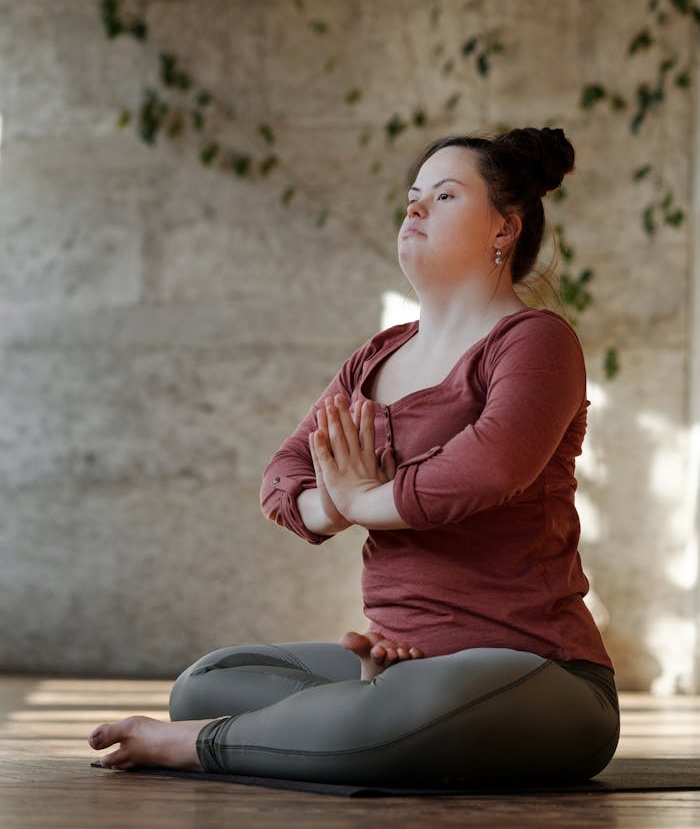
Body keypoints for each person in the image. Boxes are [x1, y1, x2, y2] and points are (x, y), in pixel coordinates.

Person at [89, 126, 619, 786]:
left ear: (504, 230)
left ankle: (205, 745)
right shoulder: (378, 355)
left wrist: (367, 498)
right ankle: (351, 708)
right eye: (413, 196)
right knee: (206, 682)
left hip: (538, 670)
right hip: (399, 661)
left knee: (410, 707)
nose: (416, 208)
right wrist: (334, 504)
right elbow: (285, 472)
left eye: (445, 196)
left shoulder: (536, 341)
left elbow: (489, 467)